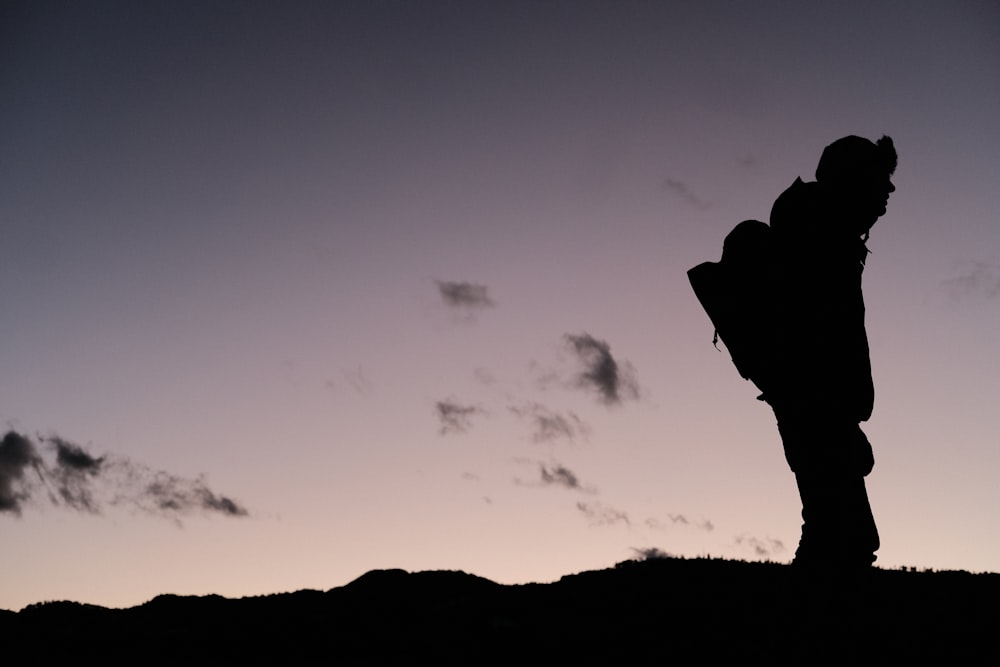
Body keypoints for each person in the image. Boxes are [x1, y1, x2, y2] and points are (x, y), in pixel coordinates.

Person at [765, 135, 897, 570]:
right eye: (881, 180)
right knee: (844, 536)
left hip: (815, 408)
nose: (889, 192)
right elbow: (816, 341)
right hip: (815, 408)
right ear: (852, 179)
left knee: (835, 532)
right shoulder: (820, 239)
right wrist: (837, 420)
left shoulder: (821, 233)